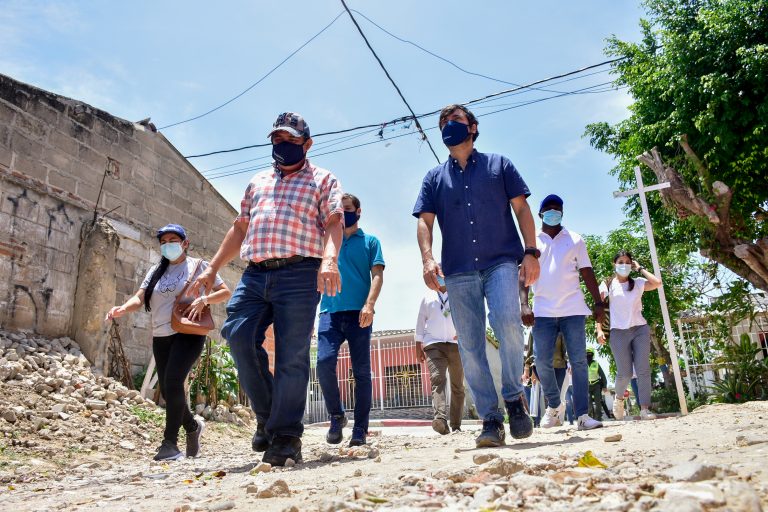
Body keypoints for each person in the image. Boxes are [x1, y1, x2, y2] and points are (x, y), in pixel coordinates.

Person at [191, 112, 344, 466]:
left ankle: (286, 436)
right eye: (277, 139)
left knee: (291, 356)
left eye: (290, 140)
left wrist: (329, 260)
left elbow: (334, 223)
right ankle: (268, 417)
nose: (282, 146)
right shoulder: (257, 181)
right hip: (255, 274)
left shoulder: (322, 179)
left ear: (307, 144)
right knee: (239, 337)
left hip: (301, 274)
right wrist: (212, 267)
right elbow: (239, 229)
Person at [413, 104, 540, 448]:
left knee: (508, 323)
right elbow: (424, 222)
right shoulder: (434, 178)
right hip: (458, 271)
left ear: (472, 126)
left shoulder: (500, 165)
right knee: (469, 346)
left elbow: (523, 209)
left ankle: (514, 399)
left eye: (455, 121)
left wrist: (531, 251)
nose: (448, 127)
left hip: (500, 262)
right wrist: (427, 259)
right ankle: (491, 419)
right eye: (442, 124)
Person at [106, 224, 231, 461]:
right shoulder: (156, 271)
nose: (168, 245)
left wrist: (203, 299)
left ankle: (169, 444)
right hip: (161, 335)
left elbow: (224, 292)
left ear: (185, 243)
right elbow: (139, 297)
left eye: (173, 240)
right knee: (168, 387)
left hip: (189, 332)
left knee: (173, 381)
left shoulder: (199, 266)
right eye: (163, 241)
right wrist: (121, 308)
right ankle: (193, 427)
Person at [520, 194, 605, 431]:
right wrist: (524, 304)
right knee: (542, 362)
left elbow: (587, 272)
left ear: (563, 213)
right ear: (540, 214)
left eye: (557, 209)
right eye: (548, 209)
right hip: (543, 311)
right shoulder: (532, 241)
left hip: (573, 309)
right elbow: (523, 275)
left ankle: (582, 416)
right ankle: (555, 406)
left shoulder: (575, 239)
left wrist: (598, 303)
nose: (553, 212)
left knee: (578, 362)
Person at [317, 193, 385, 447]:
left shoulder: (370, 241)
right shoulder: (327, 243)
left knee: (361, 373)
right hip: (329, 313)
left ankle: (360, 430)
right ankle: (336, 415)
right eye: (339, 209)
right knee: (323, 363)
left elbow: (377, 275)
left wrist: (370, 305)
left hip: (359, 313)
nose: (343, 213)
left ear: (358, 211)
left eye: (347, 208)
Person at [596, 250, 662, 420]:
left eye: (627, 262)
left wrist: (640, 268)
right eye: (620, 262)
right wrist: (599, 330)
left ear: (631, 264)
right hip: (618, 332)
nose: (624, 265)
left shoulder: (638, 283)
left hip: (640, 329)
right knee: (624, 373)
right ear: (614, 264)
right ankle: (619, 399)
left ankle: (645, 408)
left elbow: (657, 283)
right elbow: (599, 308)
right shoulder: (607, 284)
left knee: (643, 370)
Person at [414, 274, 465, 435]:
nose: (440, 276)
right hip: (433, 344)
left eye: (443, 273)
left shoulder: (457, 294)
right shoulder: (427, 297)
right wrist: (417, 346)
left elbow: (466, 316)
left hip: (456, 344)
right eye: (438, 274)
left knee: (457, 385)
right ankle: (440, 419)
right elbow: (420, 322)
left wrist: (464, 332)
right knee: (438, 379)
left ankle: (456, 424)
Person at [586, 347, 608, 421]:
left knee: (598, 402)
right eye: (587, 354)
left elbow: (602, 375)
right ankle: (590, 418)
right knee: (588, 403)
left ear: (593, 355)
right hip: (587, 386)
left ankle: (598, 418)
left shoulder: (596, 363)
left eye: (590, 354)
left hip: (596, 385)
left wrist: (605, 386)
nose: (588, 356)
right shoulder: (582, 364)